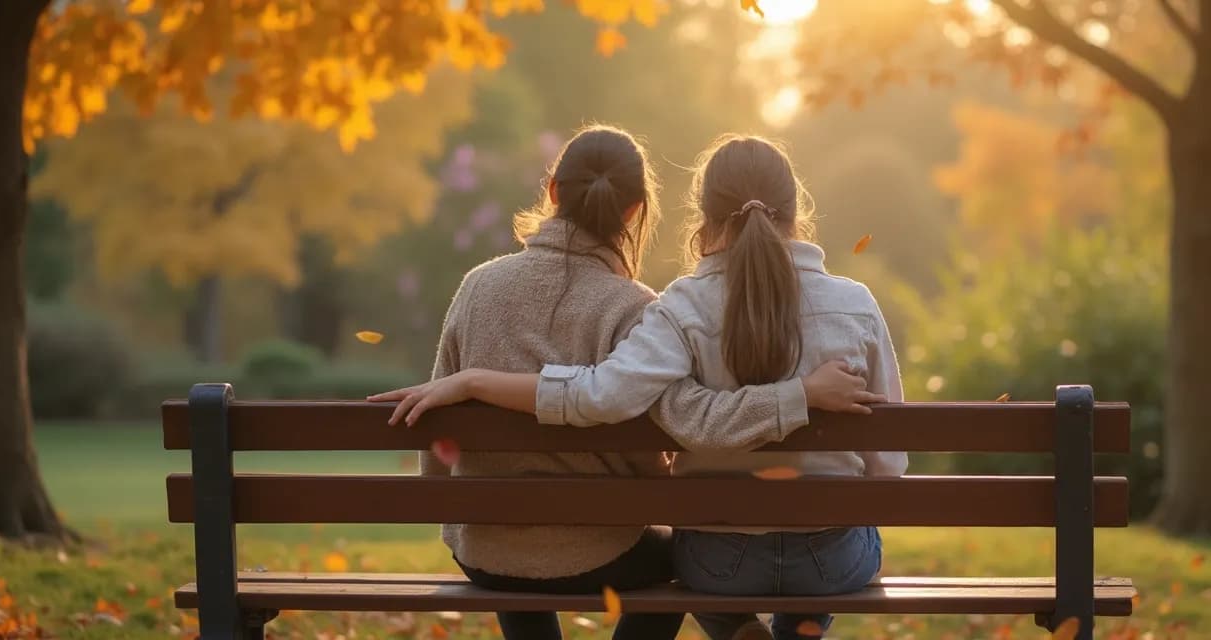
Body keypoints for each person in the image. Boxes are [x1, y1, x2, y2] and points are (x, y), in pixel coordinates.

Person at [375, 134, 905, 640]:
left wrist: (469, 391)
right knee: (686, 556)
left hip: (686, 562)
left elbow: (605, 399)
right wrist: (802, 402)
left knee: (689, 554)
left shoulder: (673, 307)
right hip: (829, 562)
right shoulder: (853, 303)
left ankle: (735, 626)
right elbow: (887, 466)